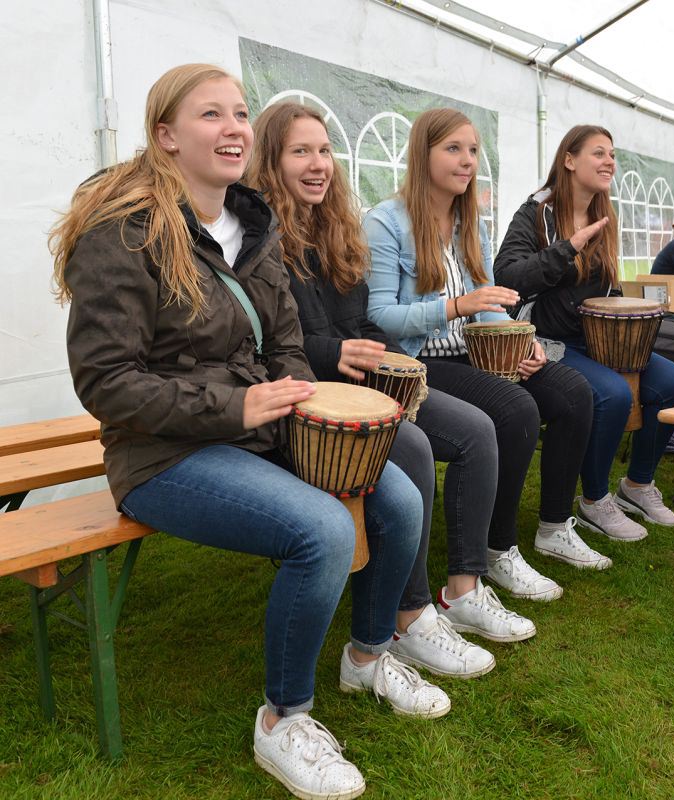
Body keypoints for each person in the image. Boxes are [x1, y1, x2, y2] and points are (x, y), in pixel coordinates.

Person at [50, 64, 443, 800]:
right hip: (161, 454)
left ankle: (367, 654)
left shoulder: (251, 225)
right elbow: (107, 383)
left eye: (240, 112)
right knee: (323, 530)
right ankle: (283, 719)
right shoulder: (122, 233)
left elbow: (286, 345)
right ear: (165, 136)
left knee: (397, 495)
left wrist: (290, 395)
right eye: (211, 115)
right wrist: (236, 408)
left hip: (254, 430)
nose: (234, 127)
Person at [246, 102, 534, 683]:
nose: (318, 164)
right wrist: (344, 354)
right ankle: (409, 614)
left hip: (363, 383)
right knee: (414, 448)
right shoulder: (264, 240)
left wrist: (393, 364)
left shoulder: (337, 228)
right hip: (307, 396)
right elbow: (285, 342)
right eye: (300, 151)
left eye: (324, 151)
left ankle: (464, 586)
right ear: (271, 161)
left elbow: (368, 321)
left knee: (485, 427)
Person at [365, 107, 606, 595]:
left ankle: (555, 527)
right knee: (516, 409)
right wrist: (454, 307)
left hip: (475, 352)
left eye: (473, 150)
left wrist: (523, 341)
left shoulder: (468, 222)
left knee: (572, 391)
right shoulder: (386, 221)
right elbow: (380, 318)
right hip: (418, 362)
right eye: (453, 149)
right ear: (422, 153)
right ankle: (494, 552)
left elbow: (490, 306)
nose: (467, 160)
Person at [494, 125, 674, 542]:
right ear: (569, 159)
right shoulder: (535, 213)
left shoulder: (605, 213)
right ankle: (594, 500)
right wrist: (568, 247)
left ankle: (636, 484)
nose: (610, 163)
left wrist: (622, 309)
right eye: (599, 153)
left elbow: (606, 287)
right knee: (613, 394)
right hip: (548, 341)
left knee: (673, 384)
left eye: (613, 155)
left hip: (597, 338)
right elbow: (508, 277)